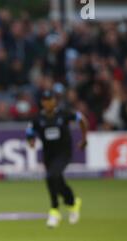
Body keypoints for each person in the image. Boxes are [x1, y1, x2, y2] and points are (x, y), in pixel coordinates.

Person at [26, 90, 88, 228]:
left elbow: (81, 119)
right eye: (45, 100)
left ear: (55, 101)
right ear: (42, 102)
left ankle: (54, 211)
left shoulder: (64, 114)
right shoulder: (38, 118)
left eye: (50, 100)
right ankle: (72, 202)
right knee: (56, 179)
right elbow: (29, 131)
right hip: (48, 155)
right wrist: (31, 141)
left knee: (51, 176)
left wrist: (84, 139)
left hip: (64, 153)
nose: (48, 103)